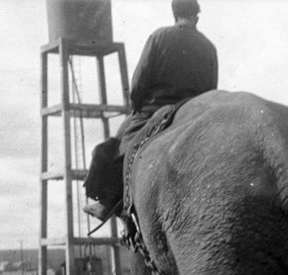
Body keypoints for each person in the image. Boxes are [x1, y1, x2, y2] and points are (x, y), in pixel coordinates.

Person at [84, 0, 218, 222]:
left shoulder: (159, 37)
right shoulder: (209, 47)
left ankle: (107, 203)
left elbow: (139, 81)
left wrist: (137, 107)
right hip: (196, 111)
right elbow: (212, 88)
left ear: (174, 15)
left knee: (121, 148)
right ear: (197, 17)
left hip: (155, 109)